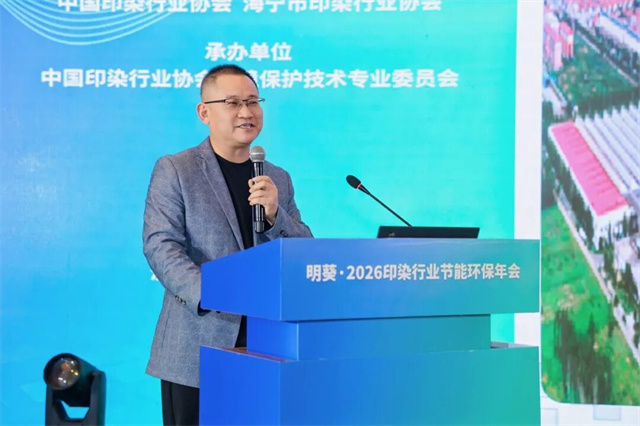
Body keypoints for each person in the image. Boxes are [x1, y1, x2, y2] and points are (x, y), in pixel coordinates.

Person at [142, 64, 312, 425]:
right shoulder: (177, 169)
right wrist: (211, 292)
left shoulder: (277, 177)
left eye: (253, 101)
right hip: (198, 343)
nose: (246, 112)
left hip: (267, 345)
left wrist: (274, 217)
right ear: (204, 112)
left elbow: (303, 252)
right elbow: (161, 245)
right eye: (233, 102)